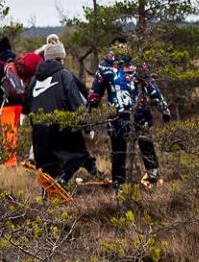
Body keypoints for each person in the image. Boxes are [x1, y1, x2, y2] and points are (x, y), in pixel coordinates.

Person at [88, 34, 171, 186]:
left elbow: (151, 86)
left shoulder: (137, 64)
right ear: (111, 47)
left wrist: (163, 107)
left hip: (140, 114)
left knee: (146, 146)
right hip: (116, 117)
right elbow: (95, 95)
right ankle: (119, 185)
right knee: (119, 152)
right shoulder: (104, 67)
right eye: (117, 45)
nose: (121, 48)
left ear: (128, 46)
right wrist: (89, 117)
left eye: (123, 45)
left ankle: (154, 180)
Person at [28, 34, 92, 190]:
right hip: (60, 126)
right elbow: (76, 103)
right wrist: (87, 126)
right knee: (80, 155)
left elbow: (28, 104)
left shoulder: (34, 79)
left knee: (47, 168)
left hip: (39, 130)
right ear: (60, 58)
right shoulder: (64, 74)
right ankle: (62, 180)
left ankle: (47, 197)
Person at [0, 36, 24, 166]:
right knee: (14, 130)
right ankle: (14, 157)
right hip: (20, 102)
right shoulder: (18, 61)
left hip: (7, 103)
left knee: (8, 131)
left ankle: (10, 161)